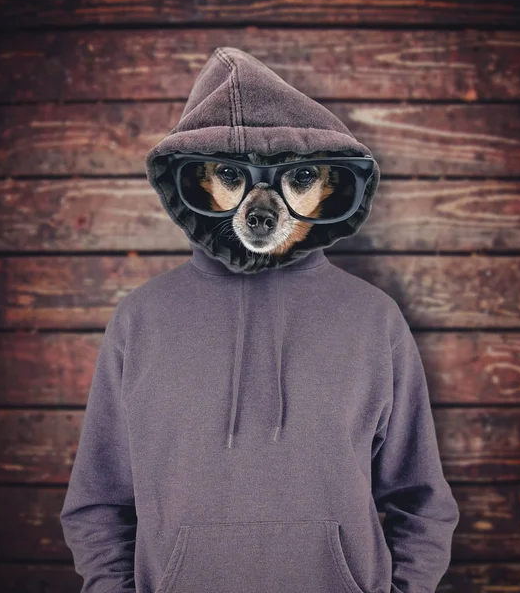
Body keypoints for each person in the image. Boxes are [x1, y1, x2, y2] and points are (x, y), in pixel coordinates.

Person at [60, 47, 460, 593]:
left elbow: (421, 500)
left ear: (330, 186)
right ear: (196, 179)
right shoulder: (142, 319)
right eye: (231, 173)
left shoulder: (373, 320)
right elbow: (98, 502)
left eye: (297, 178)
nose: (262, 204)